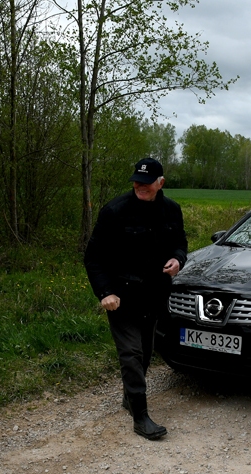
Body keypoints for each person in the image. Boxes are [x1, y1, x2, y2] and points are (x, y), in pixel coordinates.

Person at [84, 158, 187, 440]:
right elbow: (94, 258)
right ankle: (140, 417)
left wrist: (178, 259)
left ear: (160, 183)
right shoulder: (115, 211)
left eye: (147, 181)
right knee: (131, 354)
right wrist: (105, 292)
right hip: (122, 296)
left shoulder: (171, 210)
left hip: (154, 296)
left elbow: (180, 243)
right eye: (136, 181)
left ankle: (130, 397)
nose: (140, 186)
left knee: (143, 350)